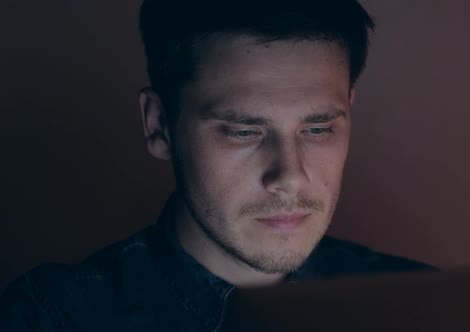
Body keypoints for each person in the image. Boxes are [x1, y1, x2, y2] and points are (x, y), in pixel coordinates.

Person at [0, 0, 433, 330]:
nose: (289, 176)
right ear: (159, 125)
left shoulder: (425, 307)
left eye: (318, 129)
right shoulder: (50, 318)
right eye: (243, 131)